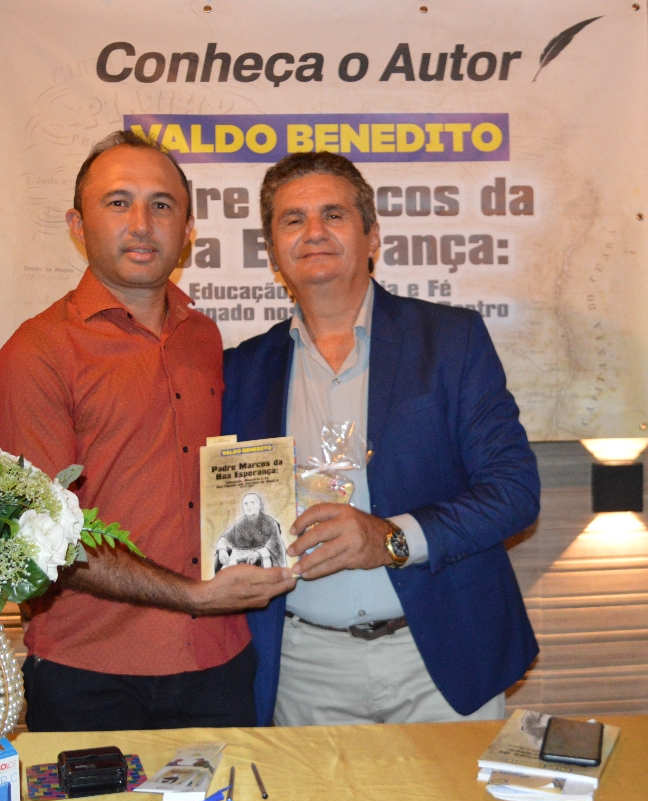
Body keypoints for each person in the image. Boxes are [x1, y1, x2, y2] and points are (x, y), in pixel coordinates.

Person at [0, 130, 296, 731]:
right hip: (91, 675)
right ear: (78, 226)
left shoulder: (203, 337)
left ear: (188, 229)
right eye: (118, 202)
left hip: (220, 661)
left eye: (161, 204)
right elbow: (45, 542)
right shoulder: (35, 354)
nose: (141, 224)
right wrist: (192, 595)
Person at [223, 151, 540, 726]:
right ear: (272, 251)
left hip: (438, 658)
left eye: (333, 215)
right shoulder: (241, 370)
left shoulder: (451, 340)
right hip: (303, 669)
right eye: (293, 220)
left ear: (371, 236)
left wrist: (390, 539)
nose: (313, 232)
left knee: (453, 795)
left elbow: (515, 491)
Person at [214, 492, 287, 571]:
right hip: (239, 557)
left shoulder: (269, 522)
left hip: (264, 557)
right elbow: (225, 538)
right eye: (246, 504)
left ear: (259, 505)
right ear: (243, 507)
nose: (249, 506)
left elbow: (275, 545)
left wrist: (259, 553)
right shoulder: (239, 523)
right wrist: (222, 549)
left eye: (252, 502)